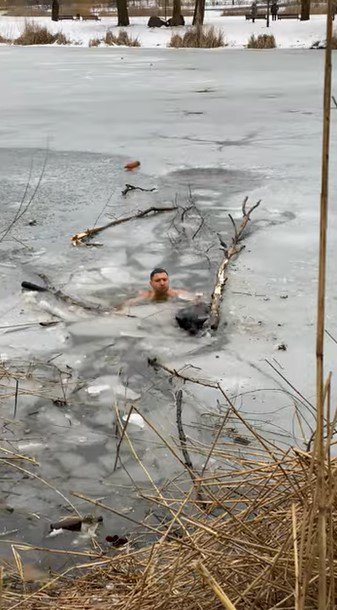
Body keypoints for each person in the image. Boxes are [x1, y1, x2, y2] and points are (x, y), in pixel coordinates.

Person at [117, 268, 192, 310]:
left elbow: (197, 299)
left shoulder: (177, 293)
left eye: (164, 279)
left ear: (168, 281)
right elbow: (125, 305)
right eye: (158, 280)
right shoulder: (146, 296)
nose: (162, 283)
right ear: (151, 283)